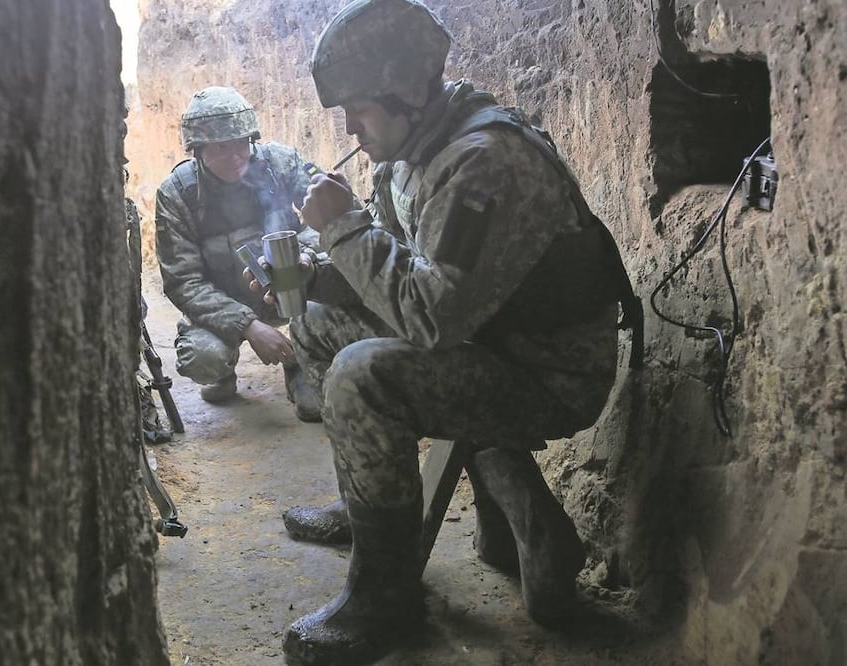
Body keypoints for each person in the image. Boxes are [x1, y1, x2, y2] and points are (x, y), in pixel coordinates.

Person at [255, 1, 641, 663]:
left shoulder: (483, 163)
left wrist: (344, 230)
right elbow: (405, 270)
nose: (350, 127)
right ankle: (373, 502)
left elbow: (431, 317)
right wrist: (318, 276)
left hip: (546, 372)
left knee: (362, 377)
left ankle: (384, 595)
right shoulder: (414, 148)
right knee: (317, 327)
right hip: (491, 340)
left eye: (359, 108)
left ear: (407, 89)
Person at [154, 86, 321, 421]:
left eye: (241, 143)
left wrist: (306, 254)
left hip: (287, 286)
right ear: (198, 149)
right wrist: (247, 326)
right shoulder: (177, 195)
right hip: (224, 301)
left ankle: (301, 364)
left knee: (329, 307)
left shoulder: (280, 163)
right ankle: (223, 370)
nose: (235, 156)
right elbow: (184, 282)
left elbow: (327, 219)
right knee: (203, 358)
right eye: (221, 147)